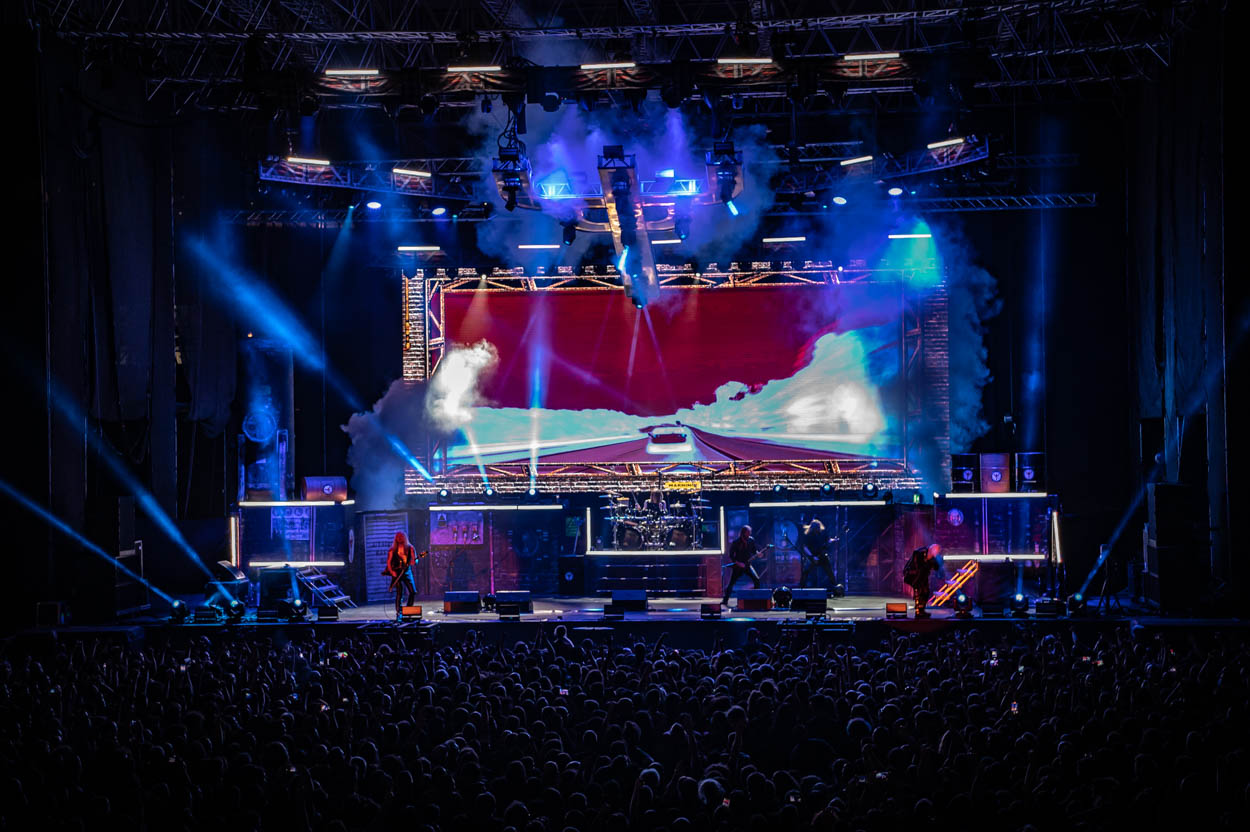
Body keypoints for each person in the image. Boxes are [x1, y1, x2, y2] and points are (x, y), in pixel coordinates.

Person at [721, 525, 767, 607]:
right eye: (748, 532)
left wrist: (757, 553)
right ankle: (725, 600)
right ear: (744, 533)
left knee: (756, 580)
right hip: (739, 566)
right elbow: (731, 555)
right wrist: (738, 563)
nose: (750, 533)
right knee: (731, 583)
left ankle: (756, 599)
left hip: (747, 565)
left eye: (750, 532)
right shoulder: (736, 542)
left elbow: (753, 550)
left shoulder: (751, 540)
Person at [383, 531, 419, 617]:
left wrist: (414, 561)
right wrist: (392, 572)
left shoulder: (410, 548)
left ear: (404, 537)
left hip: (407, 571)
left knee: (412, 591)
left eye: (401, 536)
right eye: (397, 536)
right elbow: (388, 562)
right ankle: (399, 611)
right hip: (397, 572)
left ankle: (408, 610)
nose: (399, 538)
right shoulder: (392, 550)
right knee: (399, 592)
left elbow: (415, 560)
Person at [903, 542, 942, 617]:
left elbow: (936, 568)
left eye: (937, 552)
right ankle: (918, 611)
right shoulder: (919, 552)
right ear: (931, 549)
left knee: (926, 592)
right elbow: (917, 566)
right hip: (913, 574)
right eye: (935, 551)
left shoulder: (933, 557)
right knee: (919, 590)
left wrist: (936, 559)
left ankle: (922, 610)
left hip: (923, 575)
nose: (936, 553)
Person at [798, 517, 836, 589]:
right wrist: (812, 556)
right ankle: (801, 587)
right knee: (806, 571)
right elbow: (805, 547)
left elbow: (827, 540)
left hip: (821, 556)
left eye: (818, 527)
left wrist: (833, 540)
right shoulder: (808, 535)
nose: (817, 529)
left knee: (829, 571)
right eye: (816, 527)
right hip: (812, 557)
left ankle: (835, 586)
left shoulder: (822, 534)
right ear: (812, 528)